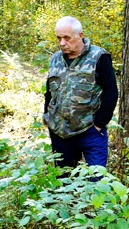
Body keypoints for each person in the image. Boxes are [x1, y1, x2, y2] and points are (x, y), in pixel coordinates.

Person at [43, 16, 118, 169]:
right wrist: (46, 115)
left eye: (66, 38)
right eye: (59, 38)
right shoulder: (55, 59)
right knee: (64, 181)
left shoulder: (99, 57)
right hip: (60, 132)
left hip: (90, 131)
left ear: (80, 36)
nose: (62, 43)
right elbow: (50, 92)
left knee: (97, 180)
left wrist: (99, 123)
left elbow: (111, 91)